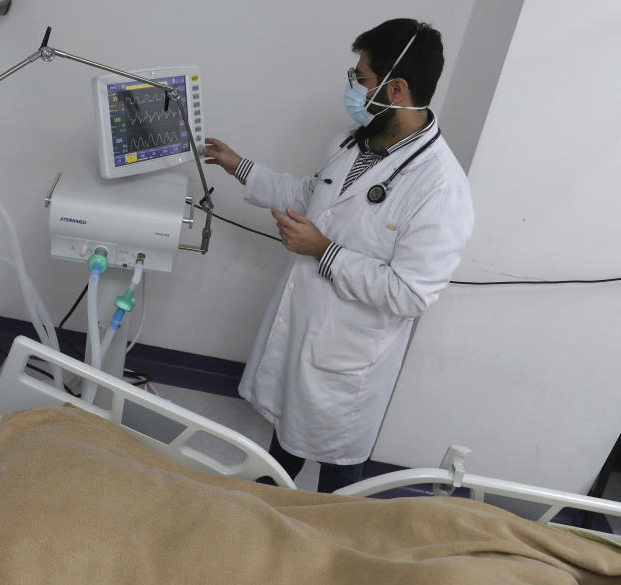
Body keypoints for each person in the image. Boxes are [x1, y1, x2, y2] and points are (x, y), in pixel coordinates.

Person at [203, 18, 474, 493]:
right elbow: (312, 193)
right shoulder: (355, 140)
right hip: (305, 330)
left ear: (396, 88)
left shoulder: (440, 187)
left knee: (338, 480)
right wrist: (238, 165)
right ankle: (260, 515)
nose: (353, 87)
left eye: (361, 78)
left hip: (348, 362)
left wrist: (323, 251)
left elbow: (410, 293)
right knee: (282, 444)